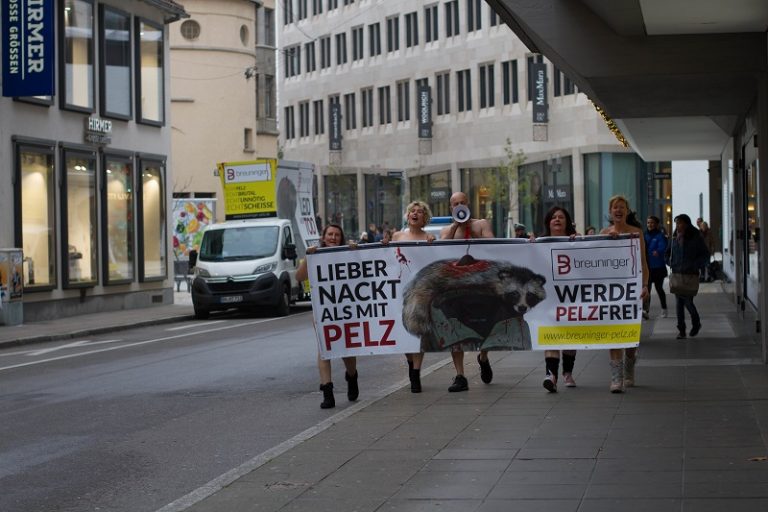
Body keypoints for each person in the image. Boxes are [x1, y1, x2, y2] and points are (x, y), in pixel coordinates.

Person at [296, 224, 359, 409]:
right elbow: (299, 277)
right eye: (330, 234)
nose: (333, 237)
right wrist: (308, 259)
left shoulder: (347, 253)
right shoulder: (315, 255)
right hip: (324, 310)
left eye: (337, 235)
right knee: (324, 347)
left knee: (347, 348)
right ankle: (327, 391)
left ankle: (352, 376)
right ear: (323, 237)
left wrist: (355, 253)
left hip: (347, 308)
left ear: (341, 238)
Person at [439, 192, 495, 392]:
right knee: (455, 330)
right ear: (450, 208)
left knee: (485, 328)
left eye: (463, 203)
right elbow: (442, 249)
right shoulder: (447, 230)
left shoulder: (481, 224)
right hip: (456, 287)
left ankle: (483, 356)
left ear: (469, 204)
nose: (460, 206)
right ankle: (460, 375)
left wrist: (472, 228)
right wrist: (457, 225)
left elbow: (493, 245)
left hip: (480, 285)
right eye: (456, 204)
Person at [600, 195, 649, 393]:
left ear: (627, 211)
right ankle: (616, 377)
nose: (618, 210)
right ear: (610, 212)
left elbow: (643, 262)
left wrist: (645, 284)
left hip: (632, 290)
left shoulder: (636, 233)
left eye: (622, 207)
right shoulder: (604, 233)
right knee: (613, 332)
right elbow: (593, 259)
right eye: (615, 207)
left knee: (629, 335)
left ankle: (629, 368)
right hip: (611, 291)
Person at [392, 200, 436, 392]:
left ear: (424, 218)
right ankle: (411, 362)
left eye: (419, 212)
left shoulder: (429, 237)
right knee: (402, 333)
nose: (415, 214)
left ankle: (416, 373)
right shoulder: (398, 236)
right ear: (408, 216)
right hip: (399, 289)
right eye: (412, 211)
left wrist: (432, 246)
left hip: (420, 291)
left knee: (418, 329)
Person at [539, 206, 578, 392]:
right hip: (550, 298)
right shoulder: (539, 243)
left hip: (570, 296)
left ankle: (567, 373)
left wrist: (579, 244)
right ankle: (551, 375)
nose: (557, 220)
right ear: (548, 222)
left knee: (569, 335)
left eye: (561, 217)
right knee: (551, 335)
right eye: (553, 217)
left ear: (567, 222)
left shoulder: (576, 241)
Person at [666, 214, 709, 340]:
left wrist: (695, 265)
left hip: (690, 275)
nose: (677, 226)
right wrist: (670, 262)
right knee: (679, 303)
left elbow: (705, 255)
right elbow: (667, 253)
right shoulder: (674, 237)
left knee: (687, 301)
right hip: (677, 274)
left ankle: (696, 322)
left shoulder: (695, 237)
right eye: (676, 223)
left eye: (680, 223)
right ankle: (682, 330)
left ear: (686, 224)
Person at [644, 216, 669, 319]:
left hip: (658, 267)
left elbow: (663, 247)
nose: (650, 224)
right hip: (647, 267)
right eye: (648, 222)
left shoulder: (660, 236)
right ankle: (646, 310)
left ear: (656, 224)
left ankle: (664, 309)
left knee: (659, 288)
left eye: (652, 222)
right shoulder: (643, 235)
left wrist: (658, 251)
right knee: (647, 290)